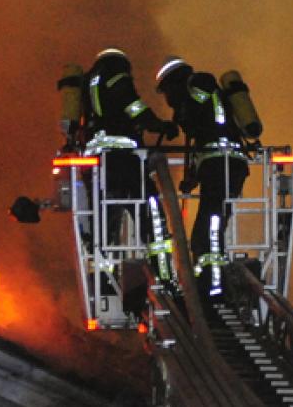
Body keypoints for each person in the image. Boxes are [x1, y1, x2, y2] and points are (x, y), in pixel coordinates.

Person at [155, 56, 250, 298]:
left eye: (167, 91)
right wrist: (193, 179)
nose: (168, 99)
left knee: (210, 225)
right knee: (207, 224)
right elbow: (206, 141)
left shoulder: (200, 81)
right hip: (219, 164)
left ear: (174, 82)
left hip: (224, 163)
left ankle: (213, 286)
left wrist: (182, 113)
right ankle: (209, 281)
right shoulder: (198, 108)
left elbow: (209, 112)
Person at [81, 48, 178, 250]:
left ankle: (101, 275)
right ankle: (165, 276)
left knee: (104, 226)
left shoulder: (89, 83)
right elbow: (133, 107)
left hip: (97, 165)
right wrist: (159, 125)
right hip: (122, 160)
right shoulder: (115, 73)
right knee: (151, 214)